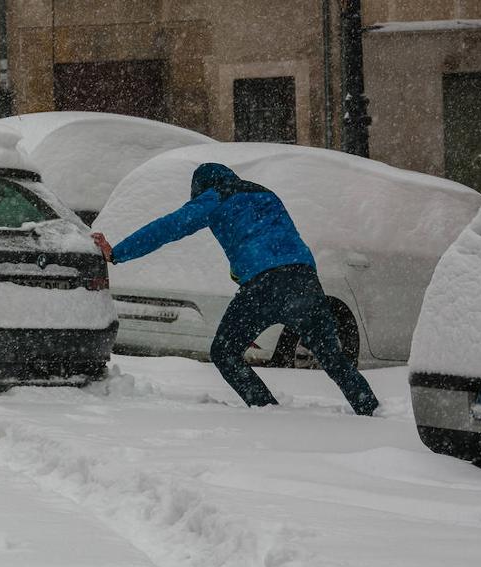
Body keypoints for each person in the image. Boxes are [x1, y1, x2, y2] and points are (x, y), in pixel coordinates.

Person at [92, 162, 379, 416]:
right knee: (331, 355)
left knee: (224, 352)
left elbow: (168, 227)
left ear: (201, 189)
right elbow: (269, 240)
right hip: (304, 278)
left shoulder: (215, 197)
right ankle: (370, 408)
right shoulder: (266, 194)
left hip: (263, 285)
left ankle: (266, 410)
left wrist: (117, 252)